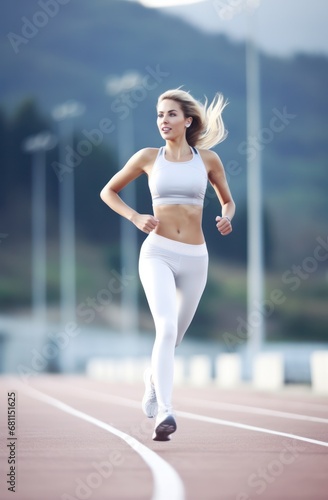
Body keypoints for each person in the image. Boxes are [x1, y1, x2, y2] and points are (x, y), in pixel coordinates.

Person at [100, 88, 235, 441]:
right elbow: (108, 191)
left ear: (187, 120)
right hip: (157, 252)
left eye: (171, 114)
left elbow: (228, 201)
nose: (164, 121)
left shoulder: (208, 160)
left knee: (175, 337)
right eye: (160, 115)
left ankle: (151, 379)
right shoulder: (147, 157)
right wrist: (134, 217)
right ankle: (166, 411)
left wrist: (225, 217)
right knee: (166, 327)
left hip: (196, 257)